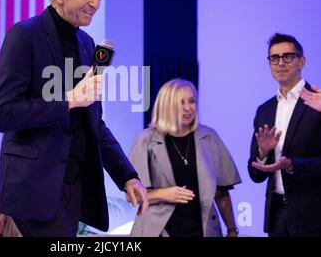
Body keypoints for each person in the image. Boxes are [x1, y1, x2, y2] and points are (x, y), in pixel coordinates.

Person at [0, 0, 148, 237]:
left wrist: (128, 176)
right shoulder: (24, 36)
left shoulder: (88, 45)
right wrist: (69, 99)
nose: (95, 3)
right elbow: (4, 114)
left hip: (74, 187)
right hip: (35, 186)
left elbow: (94, 124)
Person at [129, 79, 241, 237]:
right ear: (166, 106)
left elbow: (221, 193)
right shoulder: (145, 140)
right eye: (181, 103)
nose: (188, 108)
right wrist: (164, 194)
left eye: (192, 101)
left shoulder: (209, 137)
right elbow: (131, 195)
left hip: (203, 231)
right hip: (159, 231)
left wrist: (232, 230)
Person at [248, 33, 321, 236]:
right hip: (277, 217)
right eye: (274, 58)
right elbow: (255, 174)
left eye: (288, 56)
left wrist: (291, 165)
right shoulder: (264, 110)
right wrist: (262, 152)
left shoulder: (318, 102)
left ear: (302, 61)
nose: (281, 63)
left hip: (314, 217)